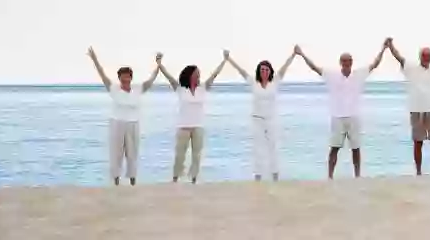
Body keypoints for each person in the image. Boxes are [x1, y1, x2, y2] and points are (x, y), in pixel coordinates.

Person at [296, 40, 387, 179]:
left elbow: (375, 64)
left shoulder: (358, 74)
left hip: (354, 117)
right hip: (337, 117)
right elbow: (314, 67)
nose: (346, 63)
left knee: (356, 149)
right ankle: (330, 176)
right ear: (340, 62)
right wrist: (302, 54)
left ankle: (357, 176)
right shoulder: (332, 75)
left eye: (349, 60)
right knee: (334, 148)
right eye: (344, 60)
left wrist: (384, 49)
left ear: (352, 62)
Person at [386, 29, 430, 175]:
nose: (426, 58)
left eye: (428, 56)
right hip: (416, 110)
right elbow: (399, 58)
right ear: (420, 57)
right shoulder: (411, 68)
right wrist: (390, 46)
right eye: (424, 56)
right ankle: (418, 171)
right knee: (417, 142)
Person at [86, 47, 161, 186]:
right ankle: (116, 181)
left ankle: (133, 180)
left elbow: (151, 80)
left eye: (128, 76)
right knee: (116, 153)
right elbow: (102, 74)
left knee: (132, 153)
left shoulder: (138, 89)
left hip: (133, 124)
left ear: (131, 77)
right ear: (119, 77)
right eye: (123, 76)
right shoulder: (114, 89)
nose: (126, 78)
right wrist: (94, 59)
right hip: (117, 124)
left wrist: (158, 65)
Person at [225, 46, 300, 181]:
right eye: (262, 70)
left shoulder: (274, 82)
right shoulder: (254, 83)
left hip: (271, 119)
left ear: (270, 71)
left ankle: (275, 177)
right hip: (257, 120)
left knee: (273, 147)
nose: (264, 72)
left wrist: (294, 54)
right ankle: (257, 178)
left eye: (266, 70)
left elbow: (284, 67)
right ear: (259, 72)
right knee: (258, 150)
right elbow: (241, 71)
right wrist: (229, 59)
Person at [156, 50, 227, 183]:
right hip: (183, 126)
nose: (198, 76)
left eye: (199, 74)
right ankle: (175, 178)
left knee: (197, 155)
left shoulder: (203, 88)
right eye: (196, 73)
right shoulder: (180, 89)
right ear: (189, 75)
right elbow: (168, 76)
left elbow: (215, 74)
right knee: (180, 155)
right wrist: (159, 64)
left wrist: (224, 60)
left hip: (198, 126)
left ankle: (194, 178)